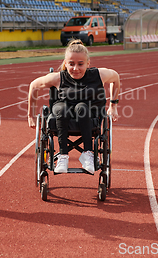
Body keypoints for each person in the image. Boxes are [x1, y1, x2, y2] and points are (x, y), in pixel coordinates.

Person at [28, 39, 120, 173]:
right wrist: (30, 115)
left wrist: (113, 105)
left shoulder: (98, 75)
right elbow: (33, 86)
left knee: (82, 107)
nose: (75, 68)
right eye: (71, 64)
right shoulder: (58, 78)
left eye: (80, 64)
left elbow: (116, 78)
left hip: (88, 114)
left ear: (88, 63)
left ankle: (88, 153)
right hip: (62, 113)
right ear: (65, 63)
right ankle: (63, 155)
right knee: (62, 109)